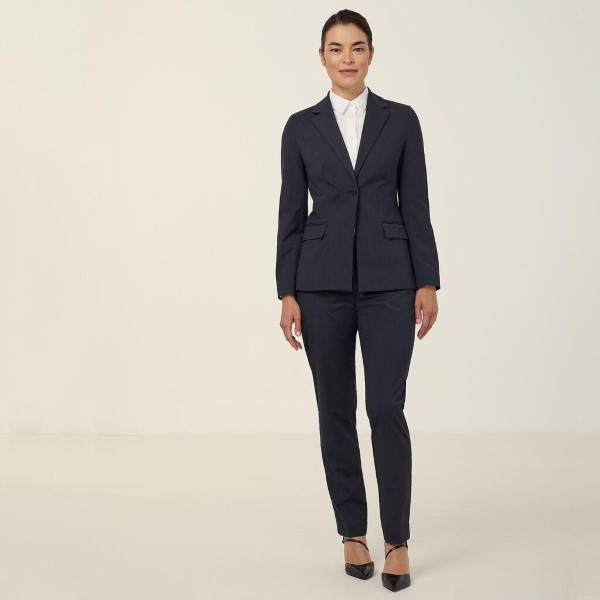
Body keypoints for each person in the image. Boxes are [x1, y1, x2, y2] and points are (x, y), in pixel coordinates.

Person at [275, 9, 440, 592]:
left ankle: (396, 540)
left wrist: (427, 280)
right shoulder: (300, 127)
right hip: (319, 284)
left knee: (385, 408)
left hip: (391, 280)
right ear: (321, 56)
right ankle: (352, 530)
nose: (347, 57)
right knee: (334, 410)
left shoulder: (401, 120)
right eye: (336, 48)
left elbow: (415, 203)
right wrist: (286, 290)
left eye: (357, 47)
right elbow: (291, 212)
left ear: (371, 54)